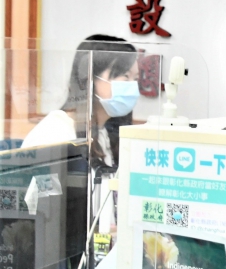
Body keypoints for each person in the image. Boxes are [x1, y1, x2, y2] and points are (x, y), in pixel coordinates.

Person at [22, 35, 139, 169]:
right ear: (89, 77)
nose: (133, 86)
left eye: (136, 78)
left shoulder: (106, 132)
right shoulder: (54, 133)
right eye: (125, 76)